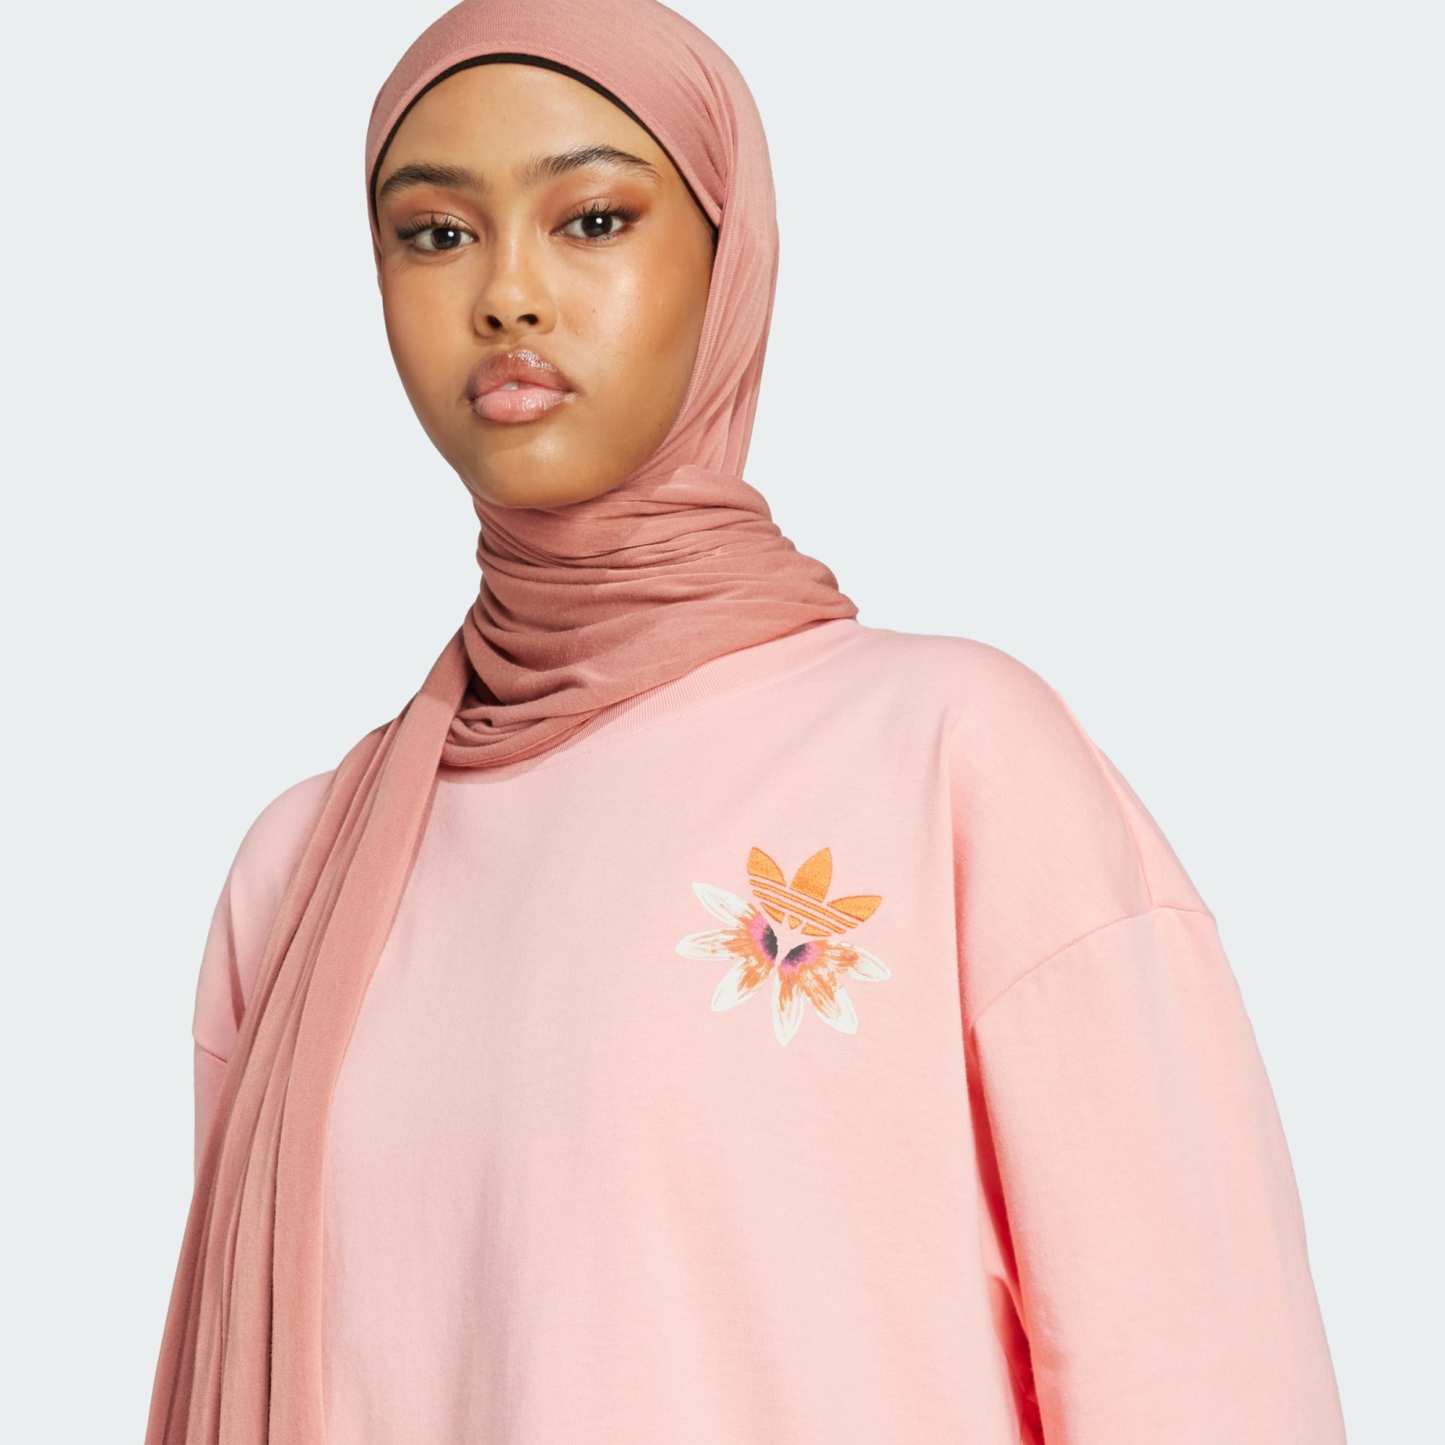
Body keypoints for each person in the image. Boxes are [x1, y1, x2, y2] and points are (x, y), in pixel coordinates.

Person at [145, 1, 1348, 1442]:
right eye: (437, 232)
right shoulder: (298, 873)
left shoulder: (949, 756)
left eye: (593, 220)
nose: (508, 294)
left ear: (731, 263)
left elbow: (1206, 1379)